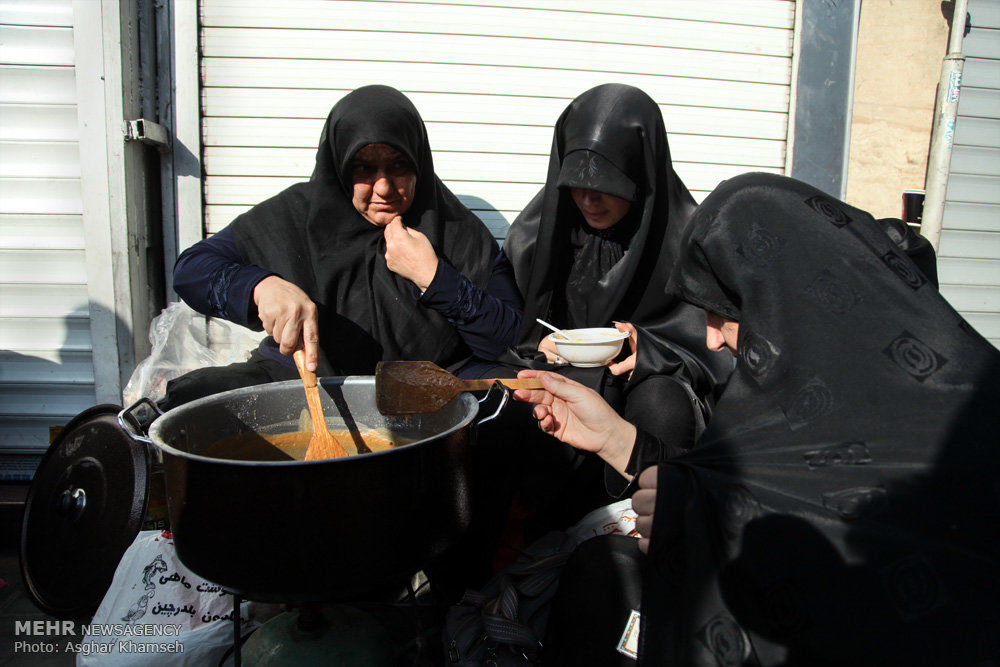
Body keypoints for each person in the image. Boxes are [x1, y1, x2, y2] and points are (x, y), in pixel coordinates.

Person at [514, 173, 1000, 665]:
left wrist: (704, 526)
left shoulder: (961, 420)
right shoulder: (826, 385)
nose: (712, 341)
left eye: (723, 312)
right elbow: (773, 485)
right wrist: (617, 441)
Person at [163, 85, 522, 408]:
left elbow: (509, 339)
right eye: (363, 168)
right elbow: (191, 269)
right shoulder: (295, 217)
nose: (383, 187)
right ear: (338, 167)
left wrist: (435, 277)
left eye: (399, 166)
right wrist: (259, 287)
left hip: (425, 392)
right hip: (306, 382)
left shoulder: (454, 230)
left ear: (419, 164)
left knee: (520, 404)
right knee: (191, 402)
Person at [493, 84, 732, 540]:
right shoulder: (538, 233)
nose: (589, 200)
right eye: (576, 184)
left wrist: (654, 350)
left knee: (662, 403)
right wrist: (533, 342)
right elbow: (510, 321)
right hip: (564, 377)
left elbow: (719, 348)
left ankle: (645, 548)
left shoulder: (686, 240)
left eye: (606, 184)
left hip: (650, 384)